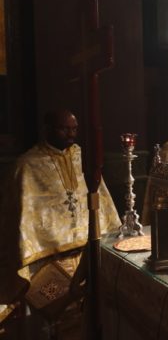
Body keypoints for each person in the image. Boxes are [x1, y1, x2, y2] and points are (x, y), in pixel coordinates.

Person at [0, 109, 121, 330]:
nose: (71, 134)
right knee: (48, 324)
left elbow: (101, 201)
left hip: (86, 253)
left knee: (89, 318)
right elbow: (18, 221)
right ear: (47, 129)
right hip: (46, 260)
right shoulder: (27, 166)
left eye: (74, 129)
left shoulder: (83, 159)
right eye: (64, 129)